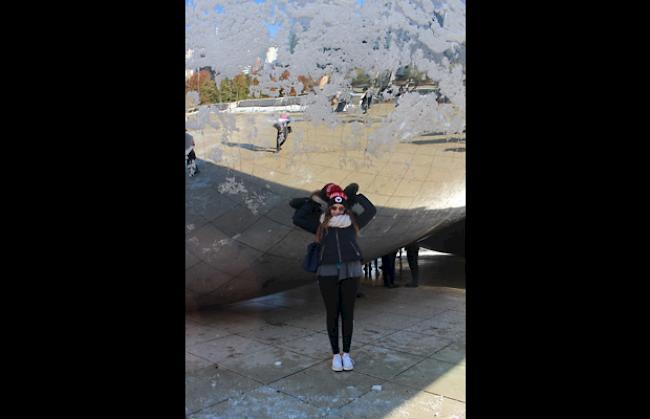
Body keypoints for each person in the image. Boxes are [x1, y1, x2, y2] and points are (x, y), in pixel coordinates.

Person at [291, 182, 377, 372]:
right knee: (332, 314)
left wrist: (353, 197)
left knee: (347, 313)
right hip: (327, 271)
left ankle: (346, 354)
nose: (337, 211)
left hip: (351, 270)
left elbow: (371, 209)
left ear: (345, 208)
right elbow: (298, 218)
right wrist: (314, 201)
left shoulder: (353, 222)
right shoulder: (320, 225)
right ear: (329, 208)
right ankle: (335, 355)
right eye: (334, 208)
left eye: (341, 208)